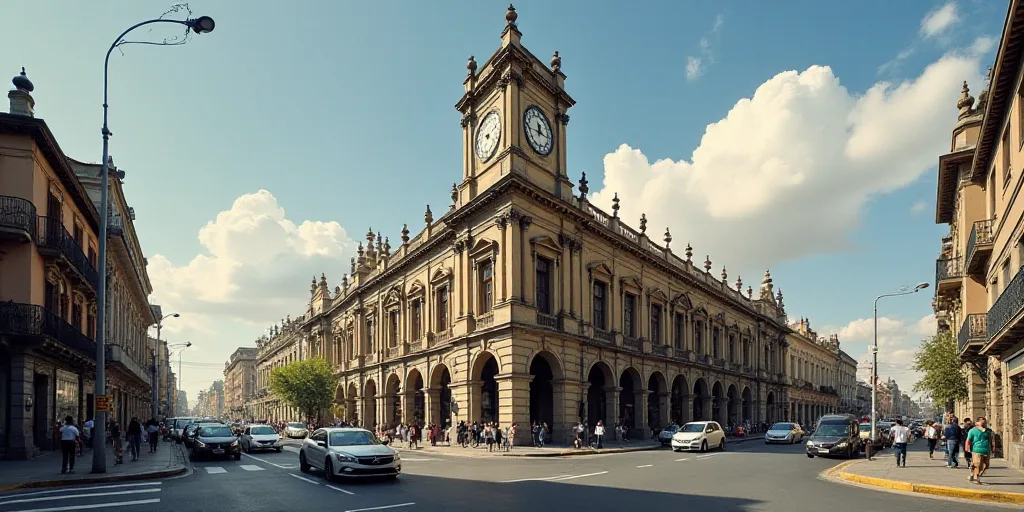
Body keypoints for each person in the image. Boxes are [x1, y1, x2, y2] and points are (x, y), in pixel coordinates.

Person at [965, 416, 993, 484]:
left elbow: (991, 440)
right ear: (977, 422)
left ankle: (974, 474)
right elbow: (968, 440)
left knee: (986, 466)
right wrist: (967, 448)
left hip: (986, 450)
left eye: (984, 421)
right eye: (982, 421)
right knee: (977, 465)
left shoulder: (989, 431)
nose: (984, 423)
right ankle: (976, 478)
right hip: (977, 450)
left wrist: (992, 448)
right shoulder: (973, 430)